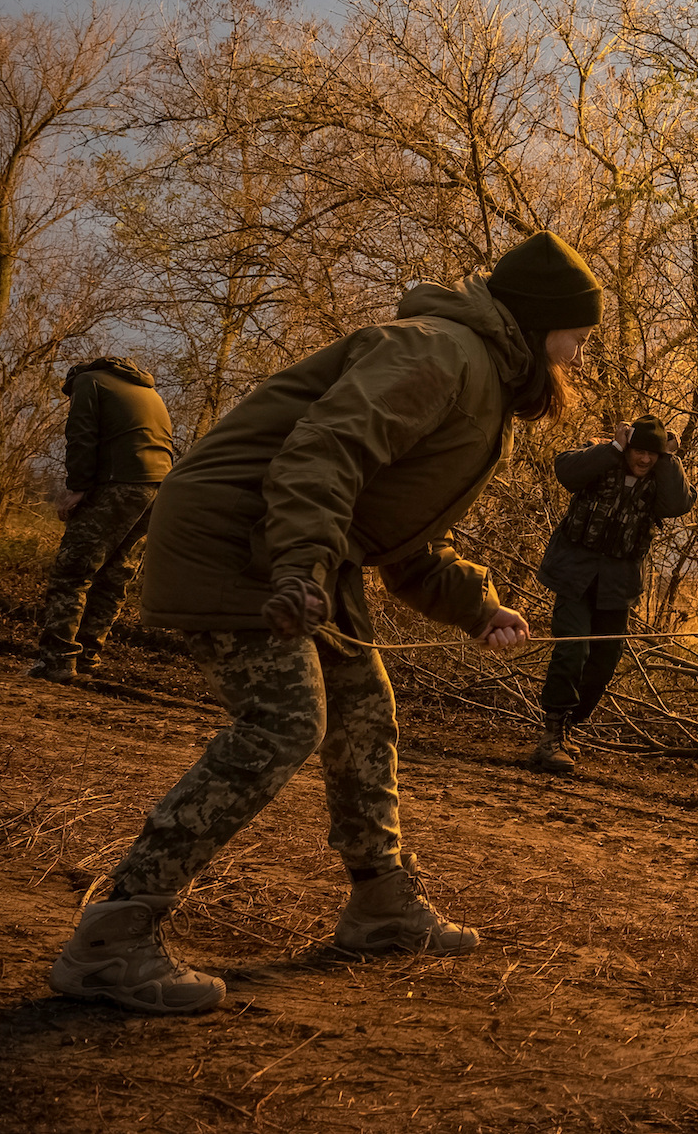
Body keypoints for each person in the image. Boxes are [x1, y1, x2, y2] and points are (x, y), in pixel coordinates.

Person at [48, 230, 603, 1016]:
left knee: (362, 700)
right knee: (286, 718)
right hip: (241, 535)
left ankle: (380, 905)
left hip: (297, 544)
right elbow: (325, 449)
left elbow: (403, 539)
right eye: (577, 335)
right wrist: (300, 566)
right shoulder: (441, 353)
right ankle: (113, 936)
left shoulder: (479, 380)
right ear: (543, 320)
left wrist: (476, 606)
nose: (579, 357)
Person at [529, 415, 694, 773]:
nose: (645, 459)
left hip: (618, 584)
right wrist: (614, 447)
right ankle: (551, 735)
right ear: (628, 445)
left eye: (653, 454)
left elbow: (680, 504)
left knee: (602, 663)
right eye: (639, 450)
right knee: (572, 648)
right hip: (575, 574)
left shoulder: (661, 480)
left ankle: (569, 727)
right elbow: (565, 471)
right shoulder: (601, 459)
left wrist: (670, 459)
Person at [30, 356, 175, 682]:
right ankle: (87, 659)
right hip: (159, 490)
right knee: (112, 578)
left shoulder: (88, 381)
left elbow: (81, 435)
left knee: (72, 572)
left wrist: (77, 489)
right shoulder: (146, 389)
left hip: (118, 484)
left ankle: (57, 662)